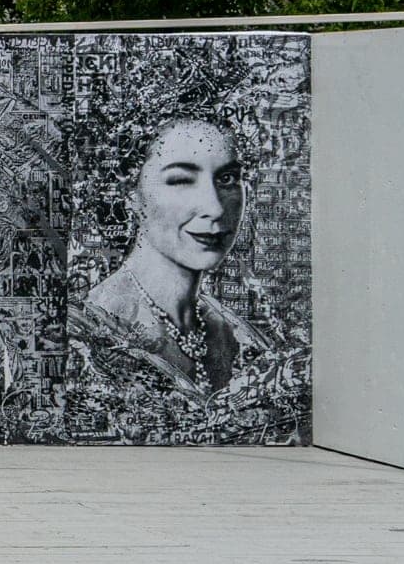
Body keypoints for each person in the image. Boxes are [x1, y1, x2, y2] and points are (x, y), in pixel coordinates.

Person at [71, 117, 262, 396]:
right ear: (130, 193)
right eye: (182, 180)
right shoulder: (93, 333)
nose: (215, 208)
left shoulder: (234, 331)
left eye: (227, 179)